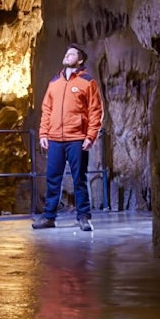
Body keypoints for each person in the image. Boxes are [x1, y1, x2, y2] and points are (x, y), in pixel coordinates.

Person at [32, 43, 102, 232]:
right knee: (53, 178)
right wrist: (43, 133)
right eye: (66, 53)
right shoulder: (54, 82)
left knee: (79, 178)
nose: (67, 55)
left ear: (80, 60)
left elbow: (95, 110)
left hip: (77, 138)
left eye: (71, 54)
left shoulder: (87, 82)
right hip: (55, 138)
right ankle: (48, 217)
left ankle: (84, 216)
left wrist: (91, 136)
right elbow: (47, 109)